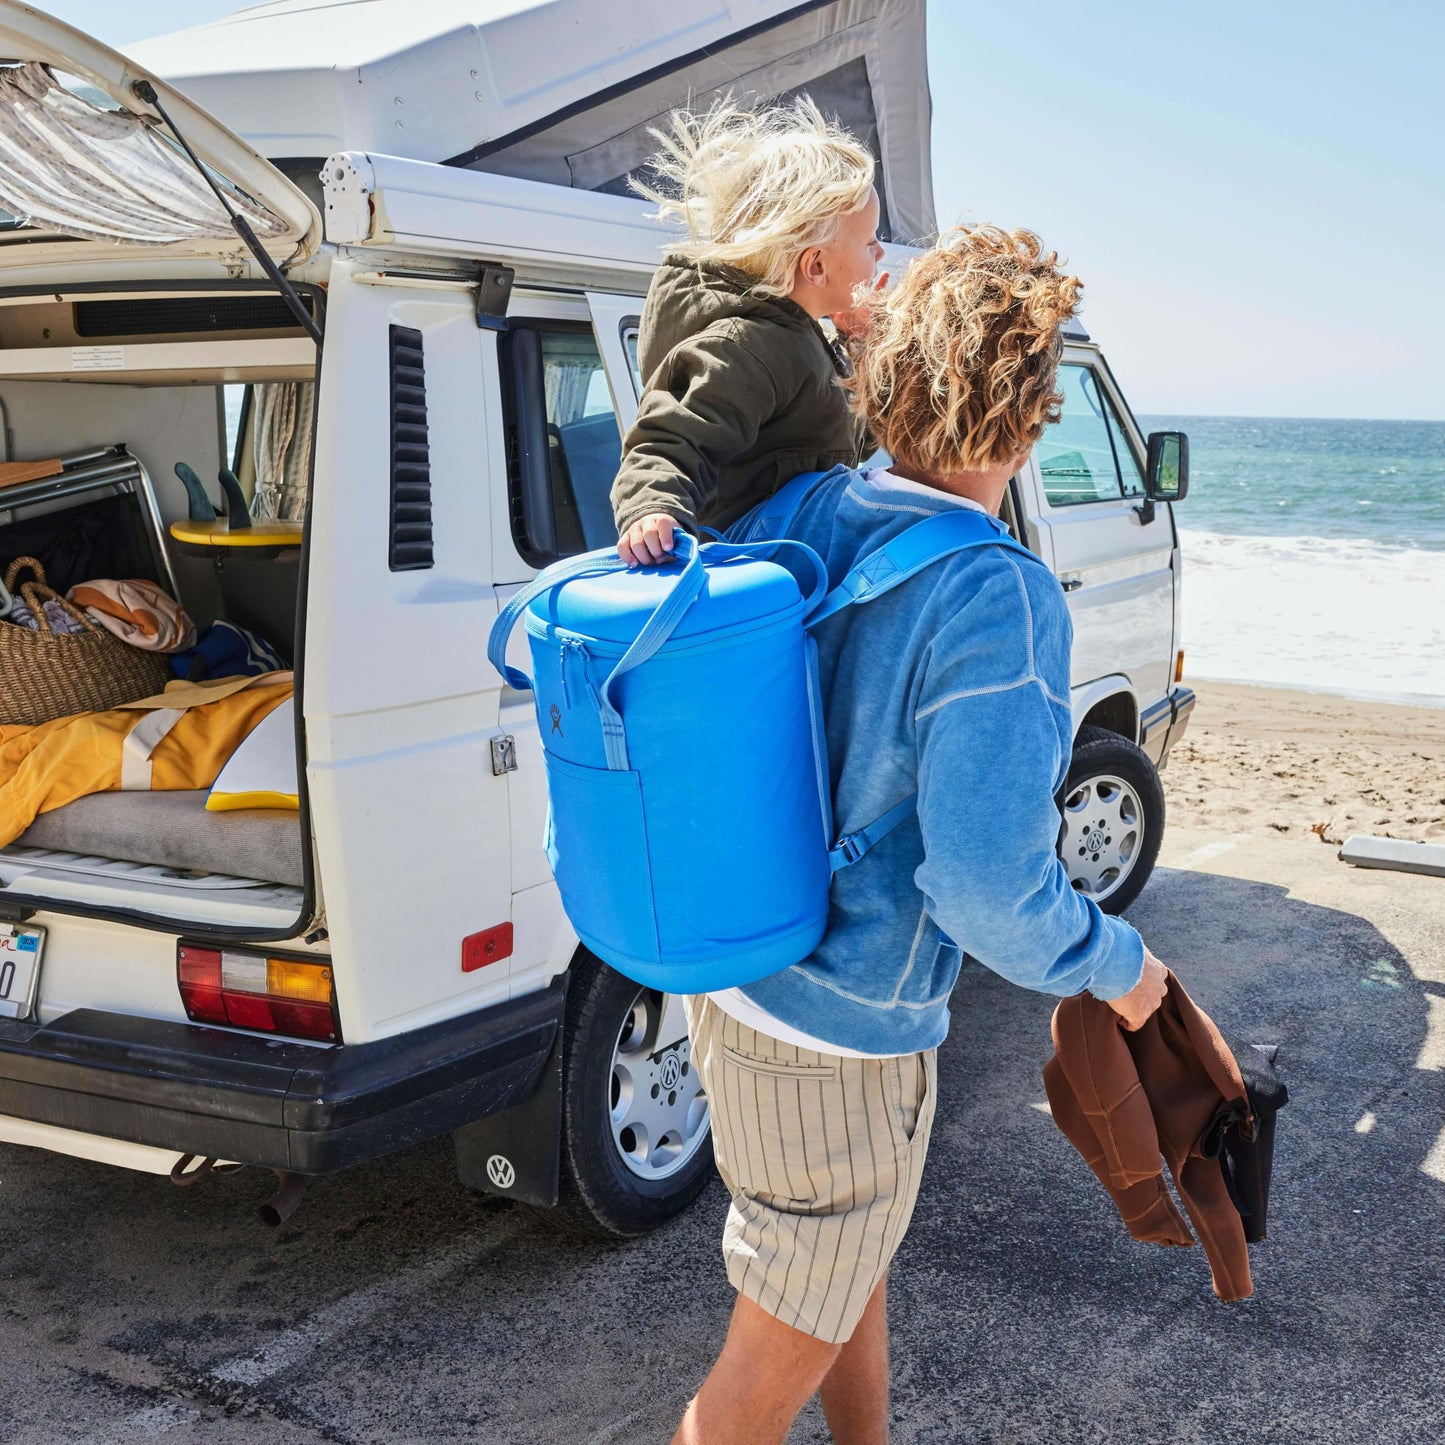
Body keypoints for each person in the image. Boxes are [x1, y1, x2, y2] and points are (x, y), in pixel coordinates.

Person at [673, 226, 1171, 1445]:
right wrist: (1121, 966)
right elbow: (991, 891)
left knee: (840, 1268)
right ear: (1029, 411)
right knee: (745, 1395)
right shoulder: (995, 594)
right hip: (841, 1031)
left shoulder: (808, 506)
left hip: (739, 974)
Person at [611, 98, 885, 566]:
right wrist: (652, 507)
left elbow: (851, 444)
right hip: (746, 549)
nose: (880, 253)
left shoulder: (796, 339)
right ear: (816, 265)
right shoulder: (751, 344)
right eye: (870, 241)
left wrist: (860, 348)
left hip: (782, 549)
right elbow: (669, 437)